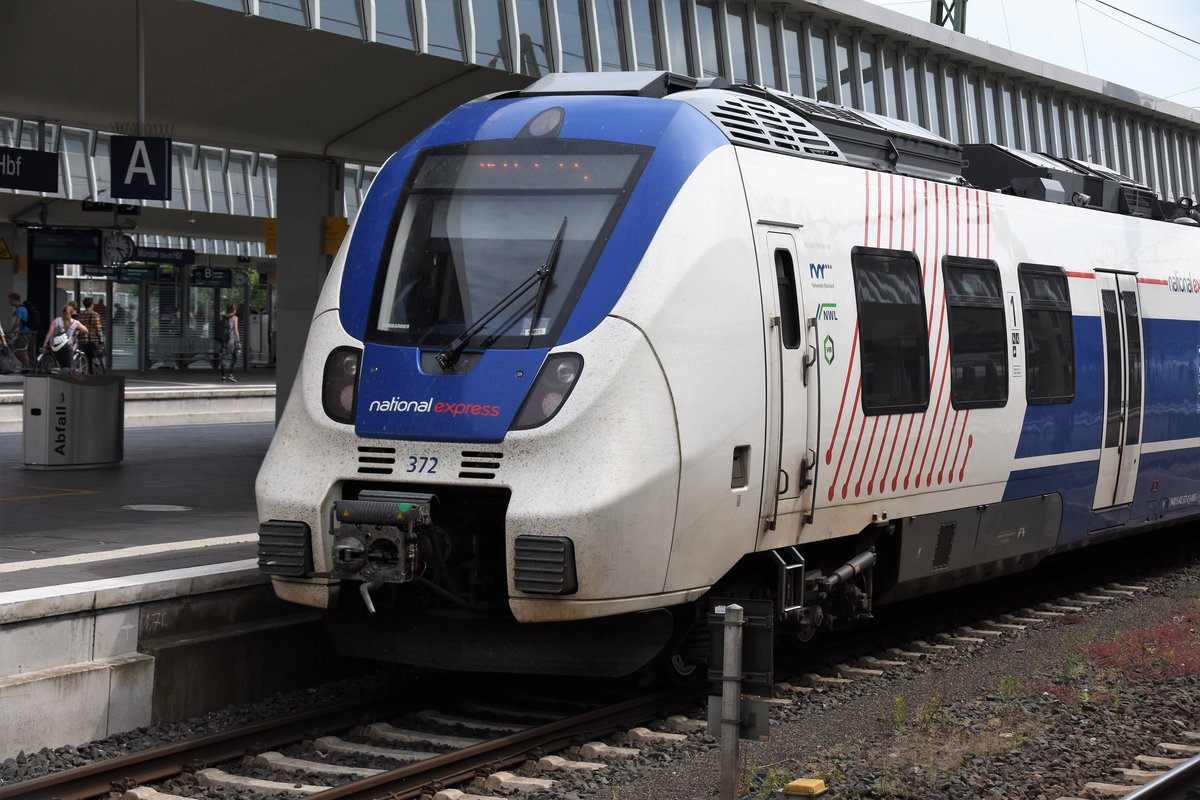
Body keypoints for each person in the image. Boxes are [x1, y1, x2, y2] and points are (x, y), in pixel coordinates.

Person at [41, 304, 87, 375]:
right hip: (66, 347)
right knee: (68, 367)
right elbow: (85, 330)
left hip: (56, 347)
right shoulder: (75, 322)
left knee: (63, 366)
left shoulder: (56, 320)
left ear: (62, 312)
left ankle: (60, 377)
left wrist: (45, 344)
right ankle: (64, 380)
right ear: (72, 313)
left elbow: (49, 333)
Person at [77, 297, 105, 374]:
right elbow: (98, 329)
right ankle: (96, 374)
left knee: (87, 358)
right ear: (91, 305)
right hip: (93, 340)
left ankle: (89, 373)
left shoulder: (81, 315)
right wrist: (101, 339)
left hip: (83, 340)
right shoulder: (95, 315)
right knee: (97, 357)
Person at [7, 293, 34, 371]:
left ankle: (26, 366)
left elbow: (17, 323)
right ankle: (25, 365)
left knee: (22, 351)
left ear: (15, 300)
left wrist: (11, 331)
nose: (9, 302)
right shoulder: (22, 308)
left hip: (24, 333)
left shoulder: (20, 309)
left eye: (10, 300)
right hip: (25, 332)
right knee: (19, 349)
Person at [219, 303, 241, 382]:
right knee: (235, 357)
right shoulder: (234, 318)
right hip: (231, 340)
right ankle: (230, 374)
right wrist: (238, 341)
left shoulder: (224, 317)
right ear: (234, 310)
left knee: (223, 358)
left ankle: (223, 376)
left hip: (224, 339)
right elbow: (235, 330)